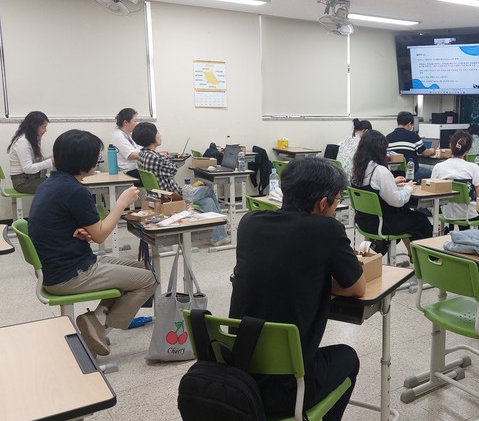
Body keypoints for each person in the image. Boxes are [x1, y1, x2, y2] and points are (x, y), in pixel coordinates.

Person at [229, 157, 365, 420]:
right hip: (286, 390)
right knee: (349, 358)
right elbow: (357, 287)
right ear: (323, 203)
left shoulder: (249, 222)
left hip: (239, 378)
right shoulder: (327, 229)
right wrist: (324, 284)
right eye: (337, 201)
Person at [28, 129, 158, 357]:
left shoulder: (49, 184)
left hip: (59, 266)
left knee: (138, 269)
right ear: (86, 163)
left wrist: (77, 230)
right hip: (70, 274)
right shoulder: (75, 190)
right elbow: (100, 236)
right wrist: (121, 203)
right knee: (149, 280)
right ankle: (100, 325)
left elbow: (61, 223)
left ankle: (96, 320)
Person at [132, 122, 229, 246]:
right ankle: (222, 224)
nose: (160, 135)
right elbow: (173, 169)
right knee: (208, 190)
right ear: (151, 137)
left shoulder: (142, 154)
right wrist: (165, 158)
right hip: (173, 197)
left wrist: (161, 156)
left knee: (207, 201)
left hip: (157, 196)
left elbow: (161, 165)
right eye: (157, 132)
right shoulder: (155, 158)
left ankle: (220, 236)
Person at [351, 130, 433, 255]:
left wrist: (391, 182)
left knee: (406, 215)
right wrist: (408, 188)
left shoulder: (358, 169)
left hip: (364, 221)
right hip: (382, 224)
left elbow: (372, 185)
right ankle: (422, 259)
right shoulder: (381, 171)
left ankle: (408, 254)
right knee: (421, 221)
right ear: (380, 150)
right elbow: (396, 201)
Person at [430, 130, 479, 228]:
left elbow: (432, 192)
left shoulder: (438, 167)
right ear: (468, 150)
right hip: (469, 214)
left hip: (447, 212)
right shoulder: (473, 167)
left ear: (450, 146)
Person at [6, 111, 53, 194]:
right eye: (43, 127)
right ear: (34, 127)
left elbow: (38, 160)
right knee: (59, 184)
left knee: (60, 181)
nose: (45, 130)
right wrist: (51, 161)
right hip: (23, 182)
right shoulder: (22, 142)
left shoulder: (32, 138)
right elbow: (28, 169)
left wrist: (53, 157)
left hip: (30, 178)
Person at [386, 111, 436, 182]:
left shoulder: (387, 138)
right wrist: (432, 150)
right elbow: (426, 153)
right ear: (409, 124)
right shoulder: (413, 136)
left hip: (394, 175)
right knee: (431, 172)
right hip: (411, 173)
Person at [110, 108, 144, 186]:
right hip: (128, 173)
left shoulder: (128, 135)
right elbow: (132, 155)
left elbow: (141, 150)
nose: (136, 124)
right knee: (158, 176)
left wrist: (156, 153)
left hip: (136, 170)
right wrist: (152, 155)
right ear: (126, 122)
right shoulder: (119, 136)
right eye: (135, 121)